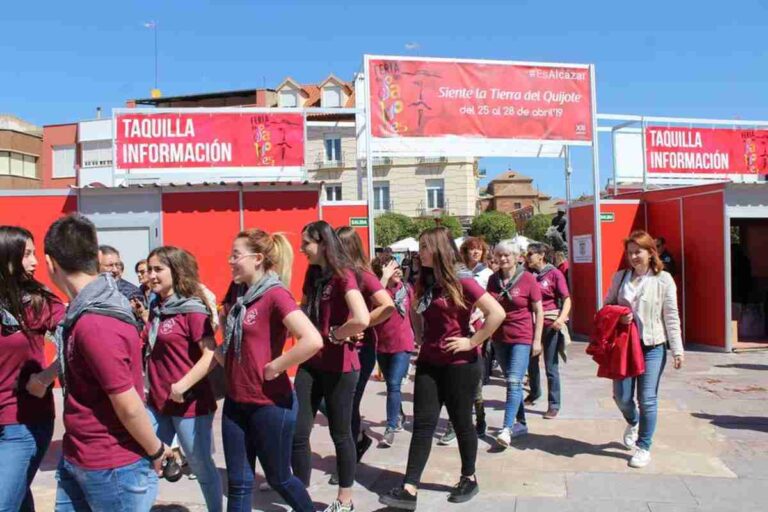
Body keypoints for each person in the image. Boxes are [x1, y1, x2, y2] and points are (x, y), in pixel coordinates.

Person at [43, 214, 173, 511]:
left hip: (111, 466)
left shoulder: (95, 321)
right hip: (80, 456)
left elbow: (127, 404)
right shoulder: (86, 310)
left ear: (51, 263)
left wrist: (156, 451)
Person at [379, 227, 504, 510]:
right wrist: (420, 335)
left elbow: (497, 313)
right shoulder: (425, 280)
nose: (419, 252)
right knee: (422, 424)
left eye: (424, 247)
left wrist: (472, 340)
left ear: (437, 249)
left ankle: (468, 476)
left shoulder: (461, 279)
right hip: (429, 362)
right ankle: (409, 488)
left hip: (461, 364)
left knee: (461, 422)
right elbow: (415, 310)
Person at [217, 229, 322, 512]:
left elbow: (312, 340)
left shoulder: (275, 295)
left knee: (280, 478)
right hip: (236, 402)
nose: (230, 260)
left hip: (271, 405)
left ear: (258, 258)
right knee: (238, 483)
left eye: (236, 255)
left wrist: (276, 366)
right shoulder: (238, 293)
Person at [292, 220, 370, 512]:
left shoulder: (343, 275)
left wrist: (337, 333)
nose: (302, 250)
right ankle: (299, 495)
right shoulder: (312, 275)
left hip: (341, 367)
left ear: (323, 244)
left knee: (340, 433)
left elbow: (362, 317)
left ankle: (345, 500)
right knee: (298, 432)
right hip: (310, 363)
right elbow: (303, 309)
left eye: (306, 244)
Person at [142, 246, 222, 511]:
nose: (151, 275)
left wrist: (182, 385)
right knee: (144, 459)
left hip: (189, 404)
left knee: (200, 465)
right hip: (157, 401)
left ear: (175, 271)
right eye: (149, 269)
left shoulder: (193, 309)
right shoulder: (156, 306)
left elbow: (211, 355)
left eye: (158, 269)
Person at [604, 230, 684, 468]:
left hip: (652, 346)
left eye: (637, 252)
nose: (633, 257)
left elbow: (671, 316)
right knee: (622, 396)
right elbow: (606, 306)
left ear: (651, 252)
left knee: (647, 398)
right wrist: (619, 315)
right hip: (624, 347)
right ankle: (633, 420)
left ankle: (643, 446)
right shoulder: (620, 278)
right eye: (630, 253)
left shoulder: (663, 280)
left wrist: (677, 349)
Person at [0, 226, 64, 510]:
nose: (35, 261)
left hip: (23, 421)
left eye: (34, 254)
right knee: (17, 496)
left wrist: (47, 375)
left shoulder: (39, 301)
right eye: (27, 254)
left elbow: (77, 340)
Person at [336, 226, 395, 463]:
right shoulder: (334, 275)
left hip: (361, 350)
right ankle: (358, 438)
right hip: (336, 348)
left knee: (349, 403)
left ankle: (348, 457)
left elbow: (386, 305)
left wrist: (360, 325)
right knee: (335, 403)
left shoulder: (363, 275)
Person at [486, 240, 543, 447]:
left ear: (517, 257)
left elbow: (539, 311)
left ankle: (506, 429)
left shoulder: (528, 279)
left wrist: (537, 341)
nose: (502, 258)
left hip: (522, 337)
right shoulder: (493, 280)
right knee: (514, 383)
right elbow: (488, 306)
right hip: (500, 338)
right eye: (499, 255)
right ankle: (521, 423)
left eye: (507, 255)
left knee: (512, 381)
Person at [440, 237, 494, 444]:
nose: (475, 253)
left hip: (477, 328)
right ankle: (453, 424)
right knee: (454, 381)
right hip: (457, 327)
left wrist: (479, 315)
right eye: (471, 249)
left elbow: (492, 304)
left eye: (479, 250)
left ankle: (480, 417)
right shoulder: (455, 272)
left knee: (474, 384)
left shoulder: (487, 274)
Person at [371, 254, 416, 447]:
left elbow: (414, 313)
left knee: (393, 385)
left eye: (398, 267)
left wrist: (419, 337)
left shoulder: (406, 290)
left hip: (403, 344)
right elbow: (369, 305)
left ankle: (390, 427)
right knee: (390, 384)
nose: (398, 270)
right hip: (381, 344)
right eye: (392, 268)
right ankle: (399, 413)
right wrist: (382, 279)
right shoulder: (378, 291)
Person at [525, 243, 572, 419]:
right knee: (531, 362)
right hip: (530, 323)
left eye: (531, 254)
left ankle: (554, 404)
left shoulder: (554, 274)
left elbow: (567, 299)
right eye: (526, 254)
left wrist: (561, 319)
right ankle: (535, 392)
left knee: (551, 366)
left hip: (549, 323)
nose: (527, 257)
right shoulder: (527, 275)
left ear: (541, 255)